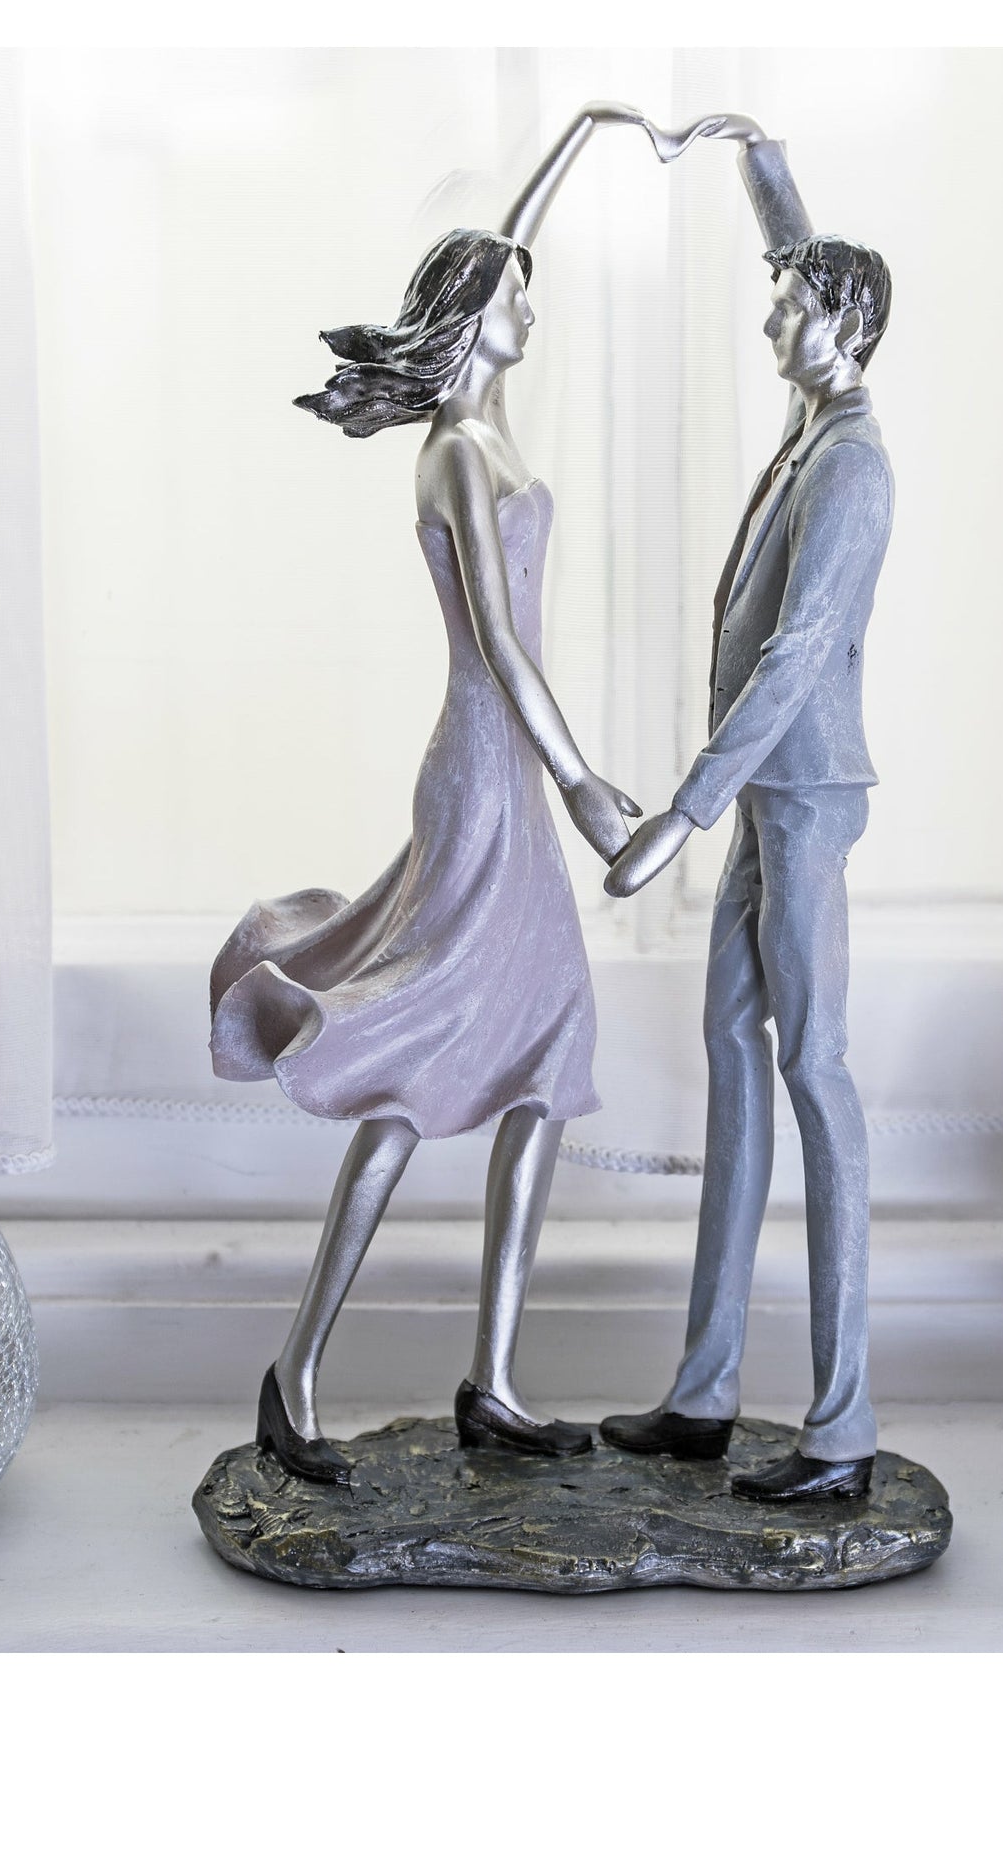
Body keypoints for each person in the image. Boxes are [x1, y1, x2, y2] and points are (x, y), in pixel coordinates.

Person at [212, 105, 705, 1484]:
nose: (533, 310)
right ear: (478, 319)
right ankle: (295, 1376)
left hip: (507, 774)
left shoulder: (490, 426)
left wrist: (588, 131)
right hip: (489, 775)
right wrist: (585, 783)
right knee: (410, 1069)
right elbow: (499, 641)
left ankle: (494, 1378)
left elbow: (507, 245)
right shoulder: (458, 454)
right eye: (516, 299)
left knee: (548, 1059)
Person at [600, 133, 896, 1503]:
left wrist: (684, 807)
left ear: (845, 328)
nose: (770, 320)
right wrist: (751, 153)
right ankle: (706, 1391)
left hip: (802, 798)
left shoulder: (853, 467)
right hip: (762, 803)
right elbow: (806, 252)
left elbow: (798, 653)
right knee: (731, 1045)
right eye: (777, 299)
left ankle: (841, 1428)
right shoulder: (809, 425)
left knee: (816, 1072)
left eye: (790, 308)